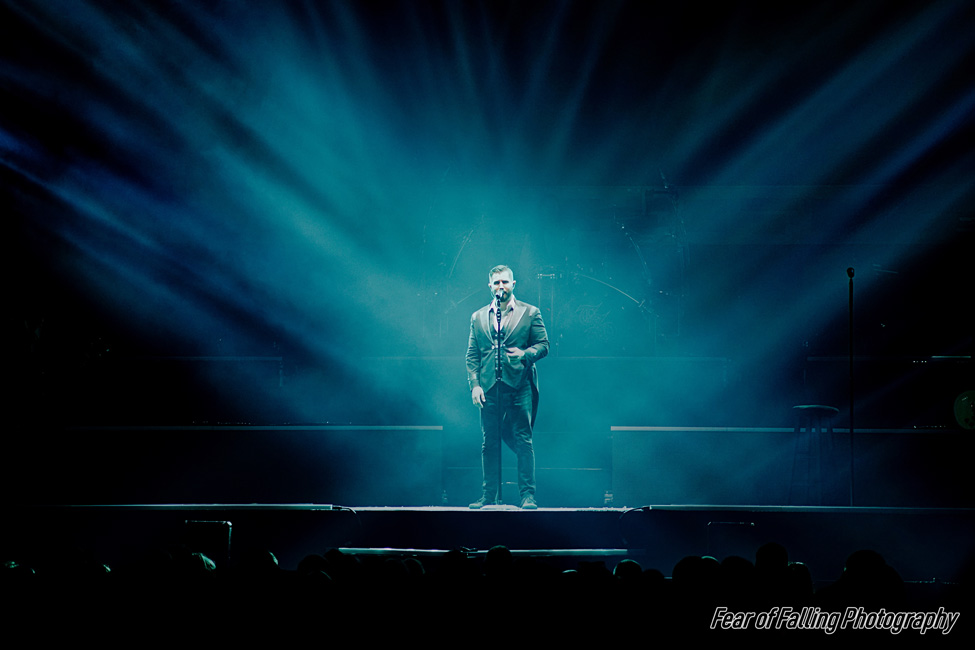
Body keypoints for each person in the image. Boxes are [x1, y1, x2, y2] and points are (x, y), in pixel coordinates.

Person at [466, 264, 549, 509]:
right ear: (490, 286)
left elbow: (543, 345)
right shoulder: (478, 316)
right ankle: (488, 496)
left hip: (519, 385)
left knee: (523, 440)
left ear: (513, 284)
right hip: (490, 387)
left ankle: (528, 496)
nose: (500, 286)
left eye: (504, 282)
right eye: (496, 282)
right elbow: (473, 354)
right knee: (489, 442)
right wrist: (475, 385)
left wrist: (525, 354)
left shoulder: (530, 312)